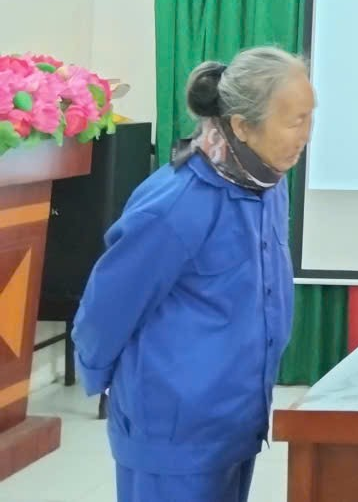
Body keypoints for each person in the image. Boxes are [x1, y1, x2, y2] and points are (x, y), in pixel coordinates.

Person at [72, 47, 313, 502]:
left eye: (309, 118)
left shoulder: (266, 184)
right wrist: (101, 378)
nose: (306, 135)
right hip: (173, 436)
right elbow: (107, 308)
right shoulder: (177, 203)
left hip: (235, 425)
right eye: (295, 121)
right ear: (242, 126)